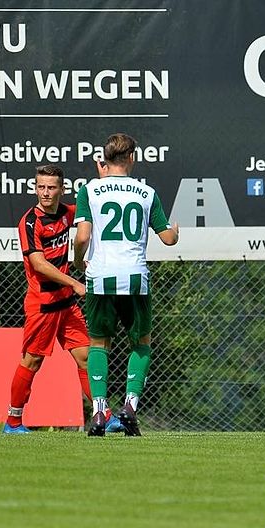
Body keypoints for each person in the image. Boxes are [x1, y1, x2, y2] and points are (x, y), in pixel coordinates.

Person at [73, 133, 179, 437]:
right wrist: (175, 232)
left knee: (98, 344)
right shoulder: (146, 192)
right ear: (132, 157)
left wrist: (79, 261)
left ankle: (98, 412)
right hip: (134, 277)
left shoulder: (90, 190)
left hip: (100, 276)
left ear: (104, 159)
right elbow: (168, 239)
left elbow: (82, 237)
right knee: (141, 343)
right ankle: (130, 407)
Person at [4, 164, 121, 434]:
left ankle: (104, 415)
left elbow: (92, 203)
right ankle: (13, 421)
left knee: (86, 357)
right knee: (31, 362)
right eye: (41, 187)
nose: (45, 192)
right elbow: (39, 264)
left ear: (62, 189)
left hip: (66, 305)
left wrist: (103, 181)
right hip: (43, 305)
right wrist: (74, 283)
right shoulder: (30, 222)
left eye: (51, 187)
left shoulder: (68, 213)